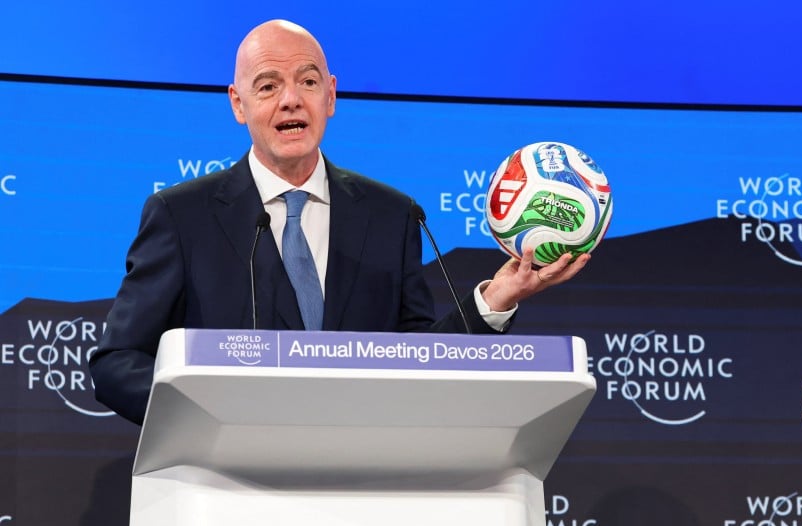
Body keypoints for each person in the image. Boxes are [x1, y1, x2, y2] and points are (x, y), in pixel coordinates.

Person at [89, 19, 589, 425]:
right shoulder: (183, 216)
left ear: (330, 95)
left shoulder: (391, 214)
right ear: (238, 104)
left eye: (307, 82)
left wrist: (496, 299)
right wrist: (207, 422)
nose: (291, 99)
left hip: (362, 486)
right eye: (268, 86)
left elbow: (421, 359)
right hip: (225, 490)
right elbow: (118, 361)